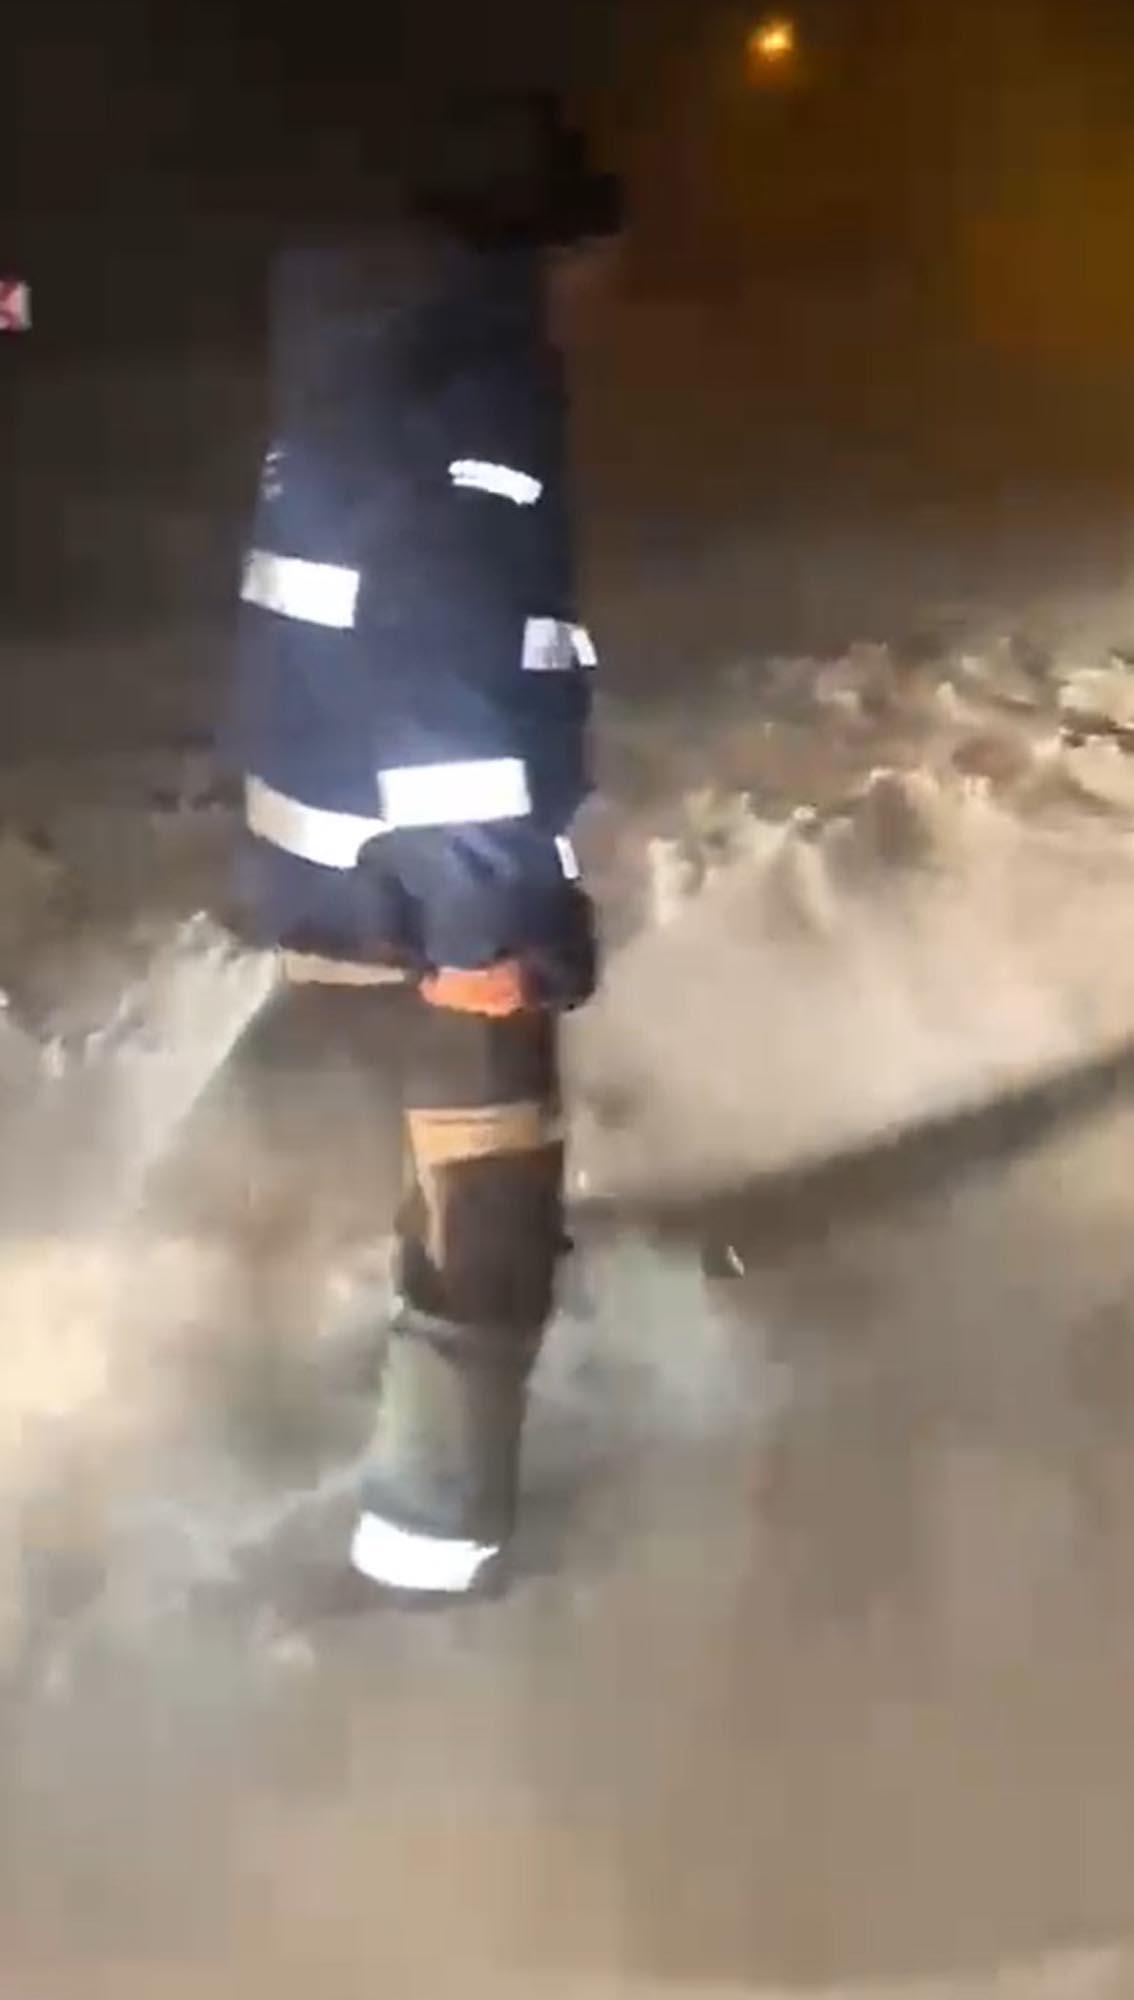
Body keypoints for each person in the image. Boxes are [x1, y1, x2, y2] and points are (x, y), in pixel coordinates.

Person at [231, 100, 621, 1598]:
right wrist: (485, 925)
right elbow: (444, 668)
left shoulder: (365, 365)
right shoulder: (472, 389)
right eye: (594, 262)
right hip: (430, 886)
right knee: (484, 1221)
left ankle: (372, 1455)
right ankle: (430, 1555)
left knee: (426, 1197)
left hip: (338, 861)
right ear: (542, 250)